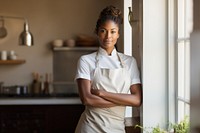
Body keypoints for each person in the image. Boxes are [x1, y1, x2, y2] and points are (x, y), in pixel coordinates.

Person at [74, 5, 142, 133]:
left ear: (118, 34)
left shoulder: (129, 62)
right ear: (97, 32)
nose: (108, 37)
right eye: (103, 31)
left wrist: (102, 93)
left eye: (113, 31)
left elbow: (137, 99)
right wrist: (123, 100)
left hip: (117, 128)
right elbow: (87, 99)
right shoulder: (85, 61)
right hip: (90, 127)